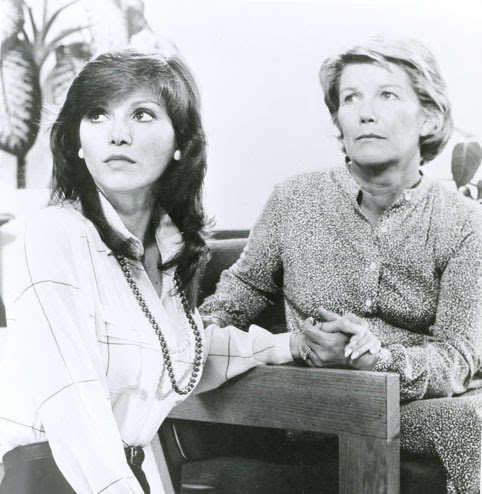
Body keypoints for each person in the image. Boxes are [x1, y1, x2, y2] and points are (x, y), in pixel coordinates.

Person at [0, 49, 309, 494]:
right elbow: (72, 404)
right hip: (49, 477)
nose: (117, 135)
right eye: (97, 115)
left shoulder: (166, 251)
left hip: (121, 474)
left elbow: (179, 356)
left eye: (142, 114)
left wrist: (291, 344)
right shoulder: (51, 235)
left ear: (181, 142)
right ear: (77, 141)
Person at [200, 34, 482, 493]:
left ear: (429, 117)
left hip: (422, 402)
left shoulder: (465, 222)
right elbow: (231, 302)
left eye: (387, 95)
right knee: (474, 426)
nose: (365, 112)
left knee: (472, 419)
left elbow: (458, 359)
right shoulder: (293, 201)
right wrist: (184, 337)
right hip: (322, 405)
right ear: (338, 120)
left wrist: (377, 360)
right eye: (351, 98)